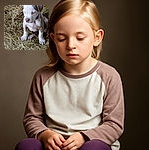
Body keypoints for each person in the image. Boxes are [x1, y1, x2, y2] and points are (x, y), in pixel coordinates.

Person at [15, 0, 125, 150]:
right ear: (53, 39)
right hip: (55, 146)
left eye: (80, 38)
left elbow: (114, 124)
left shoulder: (109, 76)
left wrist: (84, 137)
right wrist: (44, 134)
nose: (70, 45)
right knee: (26, 145)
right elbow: (32, 118)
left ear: (97, 37)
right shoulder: (43, 76)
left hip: (91, 143)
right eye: (62, 38)